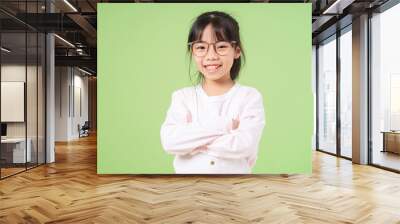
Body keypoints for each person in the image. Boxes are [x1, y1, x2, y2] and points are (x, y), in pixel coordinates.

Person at [160, 11, 265, 174]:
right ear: (192, 52)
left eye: (221, 46)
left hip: (234, 188)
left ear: (236, 50)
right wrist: (226, 126)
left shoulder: (249, 96)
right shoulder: (182, 97)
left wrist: (192, 143)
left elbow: (244, 146)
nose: (211, 56)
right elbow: (170, 141)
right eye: (201, 47)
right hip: (188, 189)